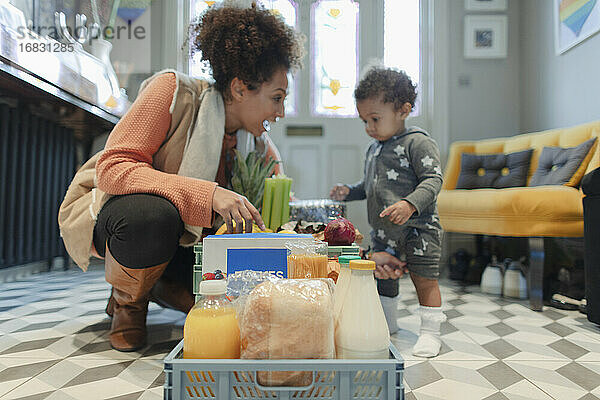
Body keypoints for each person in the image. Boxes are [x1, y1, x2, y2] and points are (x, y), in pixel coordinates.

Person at [58, 3, 304, 352]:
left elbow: (281, 211)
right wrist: (209, 195)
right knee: (151, 215)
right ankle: (129, 305)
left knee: (233, 307)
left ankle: (155, 284)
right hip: (129, 219)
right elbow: (113, 168)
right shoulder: (174, 92)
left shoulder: (259, 147)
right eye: (276, 98)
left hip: (188, 247)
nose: (280, 112)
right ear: (238, 88)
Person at [330, 67, 446, 358]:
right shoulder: (374, 148)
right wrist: (350, 191)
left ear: (404, 110)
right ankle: (387, 322)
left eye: (375, 119)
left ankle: (431, 333)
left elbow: (433, 180)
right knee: (384, 276)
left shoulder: (418, 142)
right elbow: (371, 187)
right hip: (384, 231)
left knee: (424, 278)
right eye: (364, 121)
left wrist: (409, 204)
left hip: (419, 229)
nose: (369, 127)